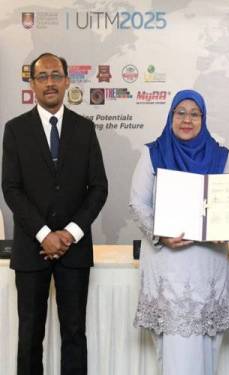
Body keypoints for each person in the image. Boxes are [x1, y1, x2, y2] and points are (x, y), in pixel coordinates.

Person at [2, 52, 108, 375]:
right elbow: (11, 189)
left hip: (74, 251)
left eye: (56, 75)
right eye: (43, 76)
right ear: (32, 84)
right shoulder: (15, 130)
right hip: (31, 250)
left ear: (66, 81)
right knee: (30, 336)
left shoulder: (85, 129)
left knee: (74, 334)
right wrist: (44, 235)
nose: (50, 83)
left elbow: (99, 188)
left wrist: (71, 233)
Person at [130, 89, 229, 375]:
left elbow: (228, 201)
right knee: (173, 344)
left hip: (207, 261)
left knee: (208, 343)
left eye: (194, 114)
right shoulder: (153, 152)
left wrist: (223, 226)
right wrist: (160, 233)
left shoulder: (220, 155)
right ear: (171, 116)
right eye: (180, 113)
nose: (187, 120)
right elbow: (138, 202)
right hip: (168, 262)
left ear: (203, 118)